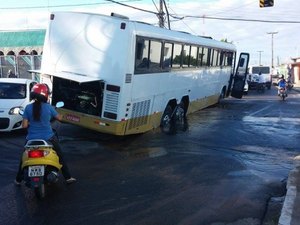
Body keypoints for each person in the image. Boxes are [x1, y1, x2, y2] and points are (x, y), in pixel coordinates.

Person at [15, 83, 76, 185]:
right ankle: (68, 177)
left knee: (23, 158)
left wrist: (31, 122)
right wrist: (62, 115)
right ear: (45, 95)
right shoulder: (49, 108)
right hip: (48, 138)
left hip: (31, 139)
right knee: (60, 156)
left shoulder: (28, 108)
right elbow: (60, 118)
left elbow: (24, 126)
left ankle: (18, 180)